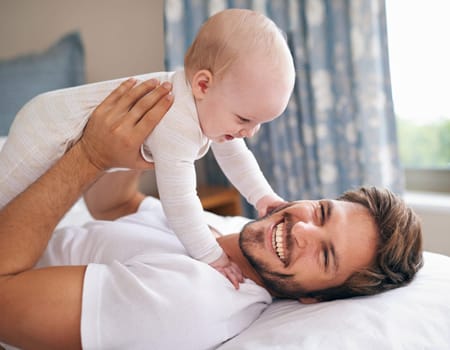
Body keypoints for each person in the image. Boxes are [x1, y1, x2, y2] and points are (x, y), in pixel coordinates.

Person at [0, 78, 423, 350]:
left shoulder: (190, 302)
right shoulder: (226, 235)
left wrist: (90, 156)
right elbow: (113, 208)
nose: (304, 229)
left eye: (326, 255)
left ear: (314, 298)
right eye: (323, 211)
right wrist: (146, 148)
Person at [0, 9, 295, 286]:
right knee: (7, 198)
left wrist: (263, 196)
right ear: (203, 85)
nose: (250, 132)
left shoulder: (209, 108)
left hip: (50, 121)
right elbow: (180, 201)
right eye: (244, 119)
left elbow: (236, 155)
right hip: (45, 127)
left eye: (259, 123)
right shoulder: (177, 121)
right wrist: (211, 255)